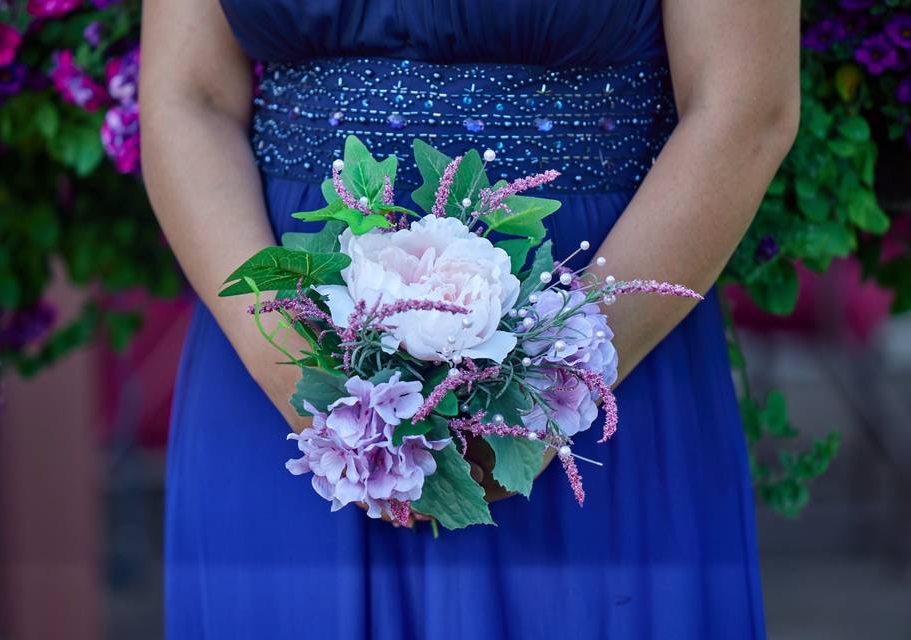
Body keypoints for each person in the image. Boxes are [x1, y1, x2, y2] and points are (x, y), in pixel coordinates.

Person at [140, 0, 798, 637]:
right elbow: (187, 98)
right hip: (286, 372)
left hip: (604, 341)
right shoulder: (289, 371)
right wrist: (302, 380)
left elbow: (743, 106)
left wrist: (561, 385)